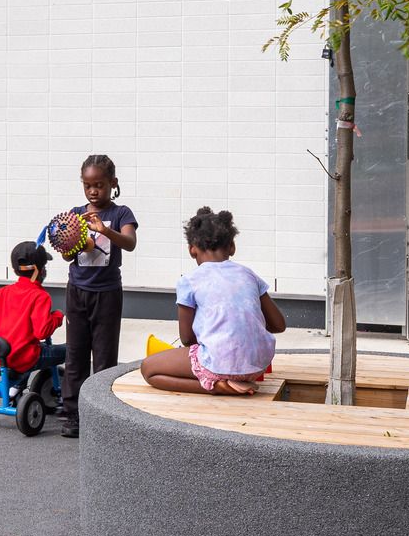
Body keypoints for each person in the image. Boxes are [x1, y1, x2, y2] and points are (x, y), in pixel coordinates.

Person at [140, 206, 286, 396]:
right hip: (258, 364)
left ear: (192, 249)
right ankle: (232, 379)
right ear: (232, 246)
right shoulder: (248, 275)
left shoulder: (189, 281)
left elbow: (187, 339)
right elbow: (279, 325)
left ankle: (218, 386)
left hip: (218, 364)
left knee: (148, 369)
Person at [58, 152, 138, 438]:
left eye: (99, 185)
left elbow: (129, 242)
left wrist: (105, 230)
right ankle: (72, 414)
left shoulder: (121, 213)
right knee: (75, 353)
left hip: (107, 294)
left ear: (112, 183)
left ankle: (102, 415)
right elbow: (68, 254)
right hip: (77, 291)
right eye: (88, 185)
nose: (93, 191)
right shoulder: (77, 214)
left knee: (104, 357)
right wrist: (74, 244)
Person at [0, 240, 64, 393]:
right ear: (40, 271)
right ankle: (69, 395)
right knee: (69, 350)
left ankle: (17, 386)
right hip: (24, 358)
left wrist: (0, 304)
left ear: (16, 271)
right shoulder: (40, 296)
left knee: (31, 346)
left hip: (1, 356)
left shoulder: (4, 292)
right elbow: (42, 332)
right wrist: (57, 317)